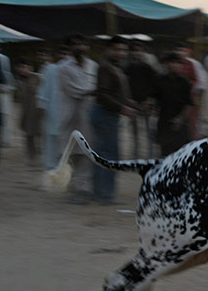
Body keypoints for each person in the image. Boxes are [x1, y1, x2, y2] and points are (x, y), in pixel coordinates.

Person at [92, 36, 136, 204]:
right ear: (108, 50)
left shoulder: (115, 68)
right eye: (117, 49)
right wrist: (123, 108)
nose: (121, 53)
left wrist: (132, 104)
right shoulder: (105, 68)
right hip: (105, 114)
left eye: (123, 50)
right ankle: (104, 194)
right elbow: (103, 94)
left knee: (105, 154)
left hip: (109, 114)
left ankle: (101, 192)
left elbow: (116, 94)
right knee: (108, 155)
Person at [57, 33, 98, 204]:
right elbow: (75, 90)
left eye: (82, 44)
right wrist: (93, 90)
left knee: (88, 152)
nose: (79, 47)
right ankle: (77, 188)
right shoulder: (63, 68)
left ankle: (85, 189)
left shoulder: (93, 66)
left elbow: (97, 87)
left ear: (87, 46)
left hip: (90, 115)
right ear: (70, 48)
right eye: (75, 44)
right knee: (74, 153)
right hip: (71, 115)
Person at [153, 52, 193, 156]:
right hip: (164, 120)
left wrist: (180, 118)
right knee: (164, 152)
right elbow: (154, 98)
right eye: (170, 62)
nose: (173, 65)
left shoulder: (185, 82)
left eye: (176, 63)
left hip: (180, 123)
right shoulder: (159, 80)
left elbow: (188, 103)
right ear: (165, 64)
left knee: (181, 153)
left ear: (180, 65)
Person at [36, 46, 70, 169]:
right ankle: (51, 169)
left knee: (67, 144)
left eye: (66, 53)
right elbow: (43, 91)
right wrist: (41, 107)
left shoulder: (76, 71)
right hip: (52, 113)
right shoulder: (50, 70)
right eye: (62, 53)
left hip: (69, 116)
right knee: (51, 142)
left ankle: (63, 170)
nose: (64, 56)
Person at [124, 42, 157, 158]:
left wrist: (150, 101)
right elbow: (124, 86)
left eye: (140, 50)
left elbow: (154, 85)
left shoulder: (148, 68)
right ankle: (135, 155)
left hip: (146, 104)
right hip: (132, 104)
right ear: (131, 52)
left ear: (143, 52)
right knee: (134, 131)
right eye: (135, 50)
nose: (137, 53)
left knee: (148, 131)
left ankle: (150, 155)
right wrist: (128, 101)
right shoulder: (126, 68)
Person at [13, 58, 42, 164]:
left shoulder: (38, 78)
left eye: (25, 67)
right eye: (21, 67)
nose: (23, 70)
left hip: (38, 112)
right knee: (28, 136)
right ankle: (31, 158)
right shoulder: (19, 80)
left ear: (31, 68)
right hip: (26, 112)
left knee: (41, 135)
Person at [0, 44, 15, 147]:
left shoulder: (5, 75)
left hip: (3, 100)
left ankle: (3, 140)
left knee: (4, 119)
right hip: (2, 100)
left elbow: (9, 87)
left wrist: (1, 90)